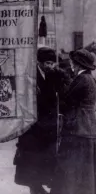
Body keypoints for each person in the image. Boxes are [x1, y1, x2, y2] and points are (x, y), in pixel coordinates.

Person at [14, 47, 70, 194]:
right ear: (39, 62)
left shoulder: (53, 75)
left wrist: (60, 79)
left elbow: (61, 95)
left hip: (48, 128)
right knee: (32, 165)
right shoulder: (30, 77)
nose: (51, 66)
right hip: (33, 128)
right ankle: (35, 189)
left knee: (46, 165)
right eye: (48, 63)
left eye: (52, 63)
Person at [51, 49, 96, 194]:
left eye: (72, 62)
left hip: (77, 128)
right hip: (87, 127)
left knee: (72, 167)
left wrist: (60, 84)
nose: (71, 65)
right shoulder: (90, 78)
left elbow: (67, 100)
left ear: (77, 64)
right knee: (84, 168)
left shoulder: (82, 79)